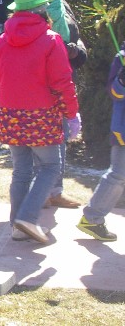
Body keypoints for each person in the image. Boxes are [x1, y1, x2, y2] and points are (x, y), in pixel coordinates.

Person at [0, 0, 79, 243]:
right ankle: (27, 218)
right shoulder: (51, 40)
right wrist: (71, 113)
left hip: (10, 113)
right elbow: (62, 81)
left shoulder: (2, 41)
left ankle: (18, 225)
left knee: (21, 171)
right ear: (43, 8)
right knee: (51, 166)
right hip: (41, 114)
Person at [25, 0, 87, 209]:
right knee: (46, 139)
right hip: (45, 83)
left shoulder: (61, 3)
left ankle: (54, 190)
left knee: (60, 135)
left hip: (63, 76)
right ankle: (41, 193)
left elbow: (73, 32)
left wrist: (77, 47)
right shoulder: (34, 7)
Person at [76, 45, 125, 242]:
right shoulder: (122, 58)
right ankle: (92, 218)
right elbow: (115, 93)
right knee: (118, 175)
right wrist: (122, 80)